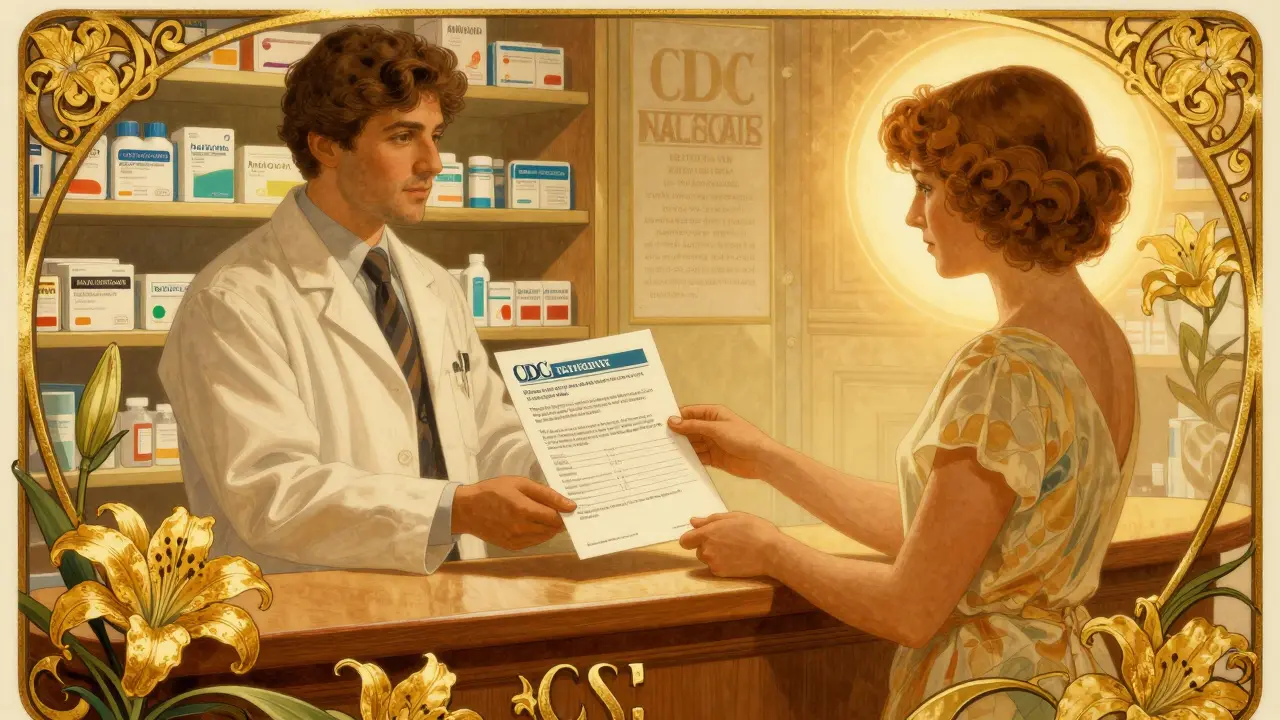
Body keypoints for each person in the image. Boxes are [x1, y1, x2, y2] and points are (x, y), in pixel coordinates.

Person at [669, 66, 1137, 719]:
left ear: (989, 194)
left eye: (927, 188)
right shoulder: (1102, 339)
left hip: (985, 694)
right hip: (1064, 683)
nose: (914, 214)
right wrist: (771, 459)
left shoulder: (1006, 367)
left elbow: (911, 608)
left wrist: (773, 550)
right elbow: (953, 536)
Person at [158, 25, 575, 576]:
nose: (432, 163)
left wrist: (571, 474)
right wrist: (457, 510)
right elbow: (271, 493)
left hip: (453, 596)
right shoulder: (234, 300)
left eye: (436, 135)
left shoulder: (434, 286)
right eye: (403, 137)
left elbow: (486, 437)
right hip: (308, 617)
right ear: (326, 144)